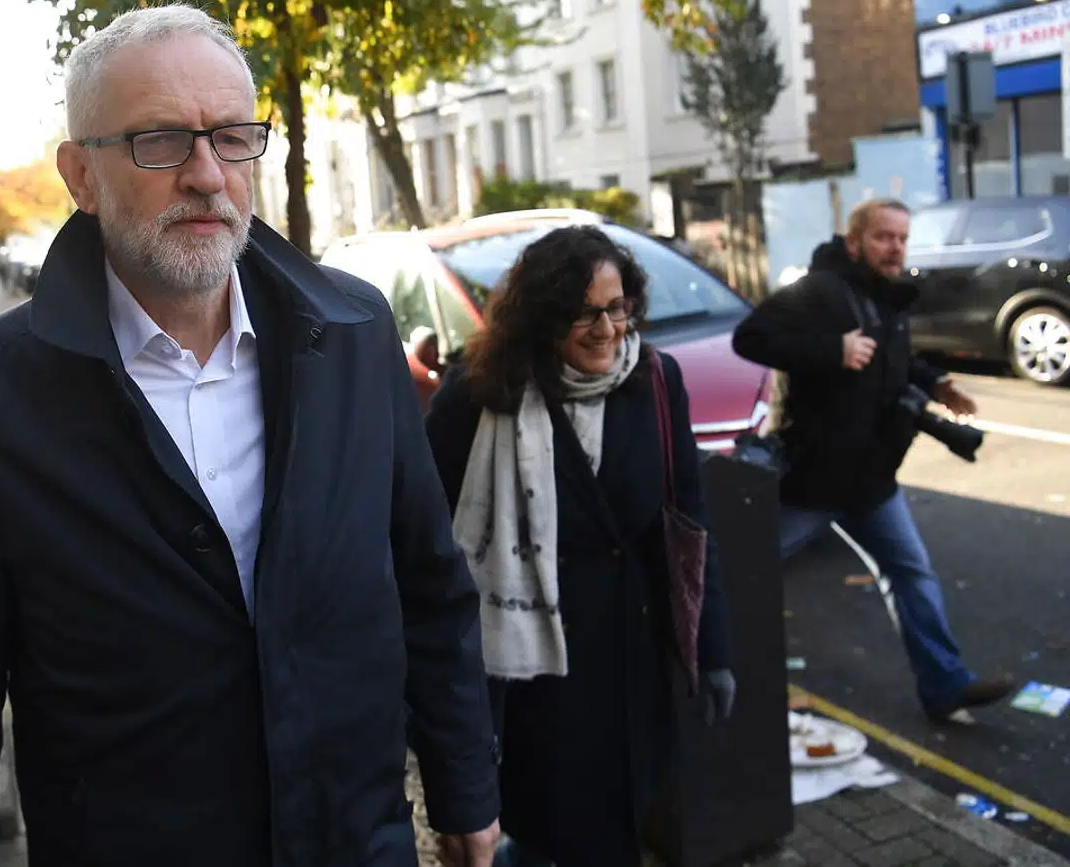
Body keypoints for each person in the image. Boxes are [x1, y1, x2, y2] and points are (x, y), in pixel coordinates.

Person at [0, 4, 501, 867]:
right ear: (80, 176)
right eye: (160, 140)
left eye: (234, 137)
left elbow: (430, 582)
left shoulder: (353, 335)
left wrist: (467, 787)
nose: (208, 174)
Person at [423, 226, 734, 867]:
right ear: (541, 316)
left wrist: (713, 647)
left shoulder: (654, 379)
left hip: (630, 663)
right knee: (550, 830)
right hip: (528, 674)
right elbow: (428, 552)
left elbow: (685, 518)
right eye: (581, 311)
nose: (605, 328)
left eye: (616, 306)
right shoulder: (478, 395)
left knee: (616, 820)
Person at [732, 198, 1016, 723]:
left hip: (869, 481)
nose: (896, 248)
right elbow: (749, 337)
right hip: (813, 481)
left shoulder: (886, 298)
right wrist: (831, 350)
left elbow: (895, 361)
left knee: (912, 573)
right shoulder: (819, 290)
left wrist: (936, 384)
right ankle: (699, 677)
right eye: (884, 237)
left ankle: (946, 687)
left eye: (903, 239)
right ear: (855, 240)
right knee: (738, 571)